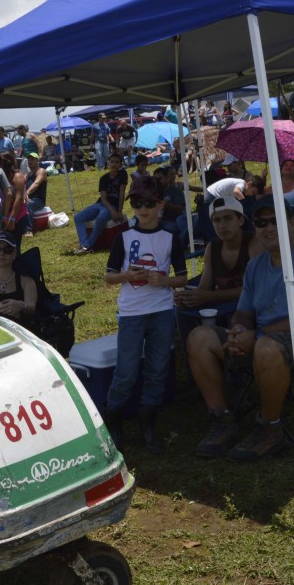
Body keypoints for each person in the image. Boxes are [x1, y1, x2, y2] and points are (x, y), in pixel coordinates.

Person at [186, 195, 294, 461]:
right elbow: (244, 312)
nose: (268, 228)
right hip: (261, 340)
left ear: (292, 222)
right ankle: (223, 420)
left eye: (276, 220)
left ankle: (270, 429)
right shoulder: (256, 266)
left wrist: (256, 335)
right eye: (261, 223)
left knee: (267, 347)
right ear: (254, 228)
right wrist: (237, 330)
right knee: (199, 337)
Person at [103, 177, 187, 452]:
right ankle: (113, 422)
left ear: (160, 204)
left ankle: (148, 425)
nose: (142, 208)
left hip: (161, 311)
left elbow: (183, 277)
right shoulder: (124, 237)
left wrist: (164, 281)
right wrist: (129, 275)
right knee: (126, 371)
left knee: (157, 368)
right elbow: (109, 277)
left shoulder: (171, 236)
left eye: (148, 203)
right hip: (131, 313)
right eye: (137, 203)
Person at [175, 197, 262, 311]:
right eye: (217, 220)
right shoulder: (212, 247)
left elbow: (257, 288)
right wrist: (188, 298)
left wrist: (210, 296)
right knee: (181, 309)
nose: (222, 226)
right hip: (223, 309)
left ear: (240, 220)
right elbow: (204, 288)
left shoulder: (254, 244)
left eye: (228, 218)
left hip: (252, 310)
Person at [74, 153, 127, 255]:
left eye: (117, 162)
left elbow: (122, 193)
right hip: (102, 204)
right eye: (112, 162)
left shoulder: (122, 175)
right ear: (108, 163)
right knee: (78, 217)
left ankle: (88, 246)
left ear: (121, 164)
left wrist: (119, 211)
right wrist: (112, 211)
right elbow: (103, 197)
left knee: (101, 218)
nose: (114, 164)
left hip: (114, 205)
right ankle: (85, 244)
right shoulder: (103, 178)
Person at [0, 232, 37, 324]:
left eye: (7, 249)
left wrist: (21, 306)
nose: (1, 253)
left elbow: (32, 308)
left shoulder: (27, 282)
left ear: (14, 253)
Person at [0, 151, 30, 246]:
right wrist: (3, 216)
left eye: (0, 162)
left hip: (18, 215)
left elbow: (19, 199)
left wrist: (12, 219)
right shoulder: (3, 177)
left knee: (15, 245)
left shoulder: (18, 177)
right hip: (6, 214)